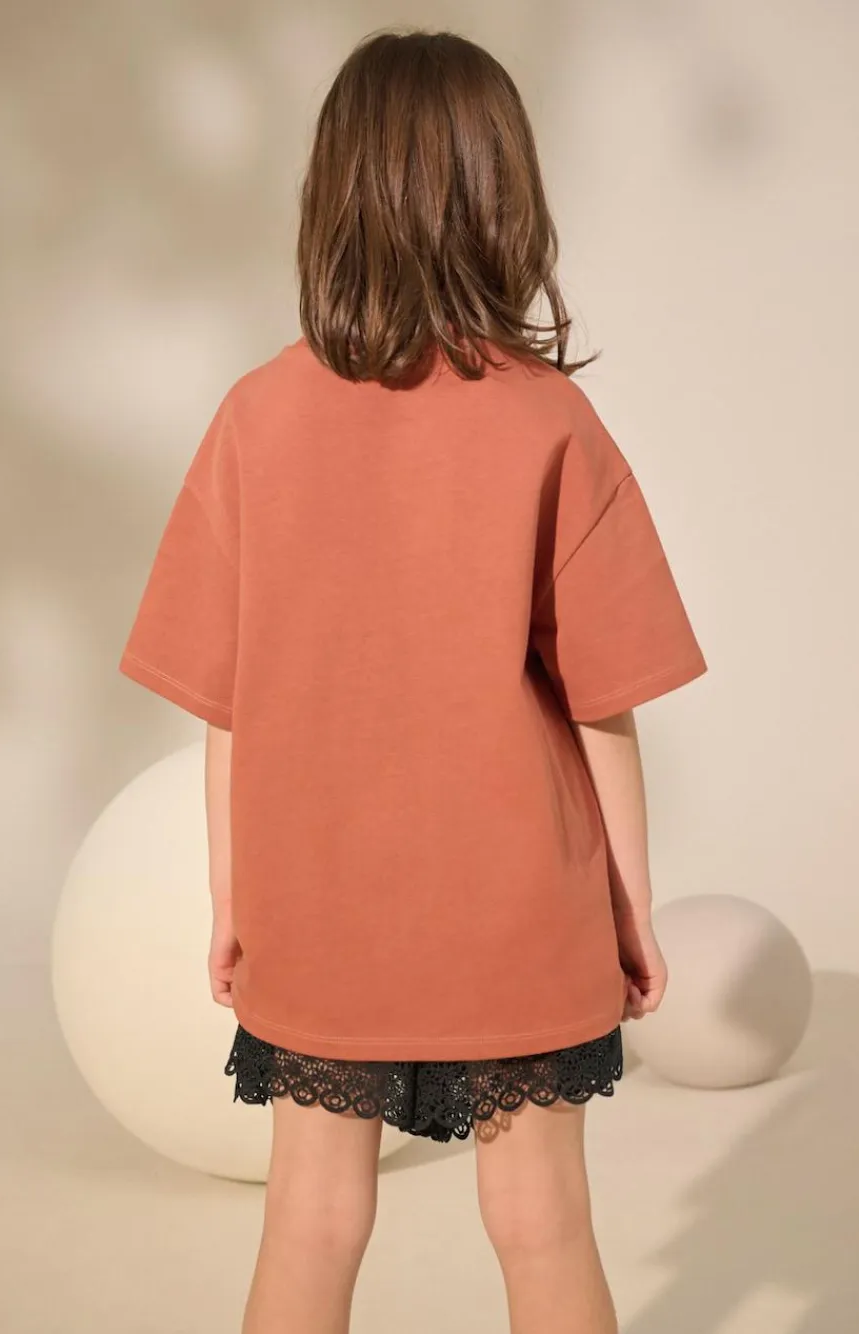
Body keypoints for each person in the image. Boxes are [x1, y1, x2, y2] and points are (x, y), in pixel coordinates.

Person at [118, 26, 708, 1334]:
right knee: (545, 1227)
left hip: (318, 904)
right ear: (504, 199)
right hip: (518, 910)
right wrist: (632, 905)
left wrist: (235, 899)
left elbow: (229, 705)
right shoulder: (549, 420)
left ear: (333, 194)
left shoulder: (254, 417)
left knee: (309, 1223)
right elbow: (603, 703)